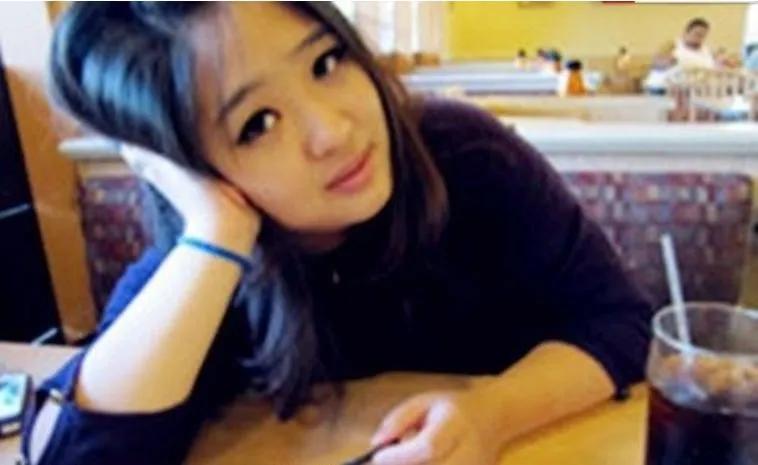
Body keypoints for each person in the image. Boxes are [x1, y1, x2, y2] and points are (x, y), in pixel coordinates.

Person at [25, 3, 652, 465]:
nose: (333, 131)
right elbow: (76, 456)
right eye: (257, 123)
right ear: (190, 172)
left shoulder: (466, 157)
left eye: (326, 63)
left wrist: (492, 414)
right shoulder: (212, 263)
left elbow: (619, 322)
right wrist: (216, 234)